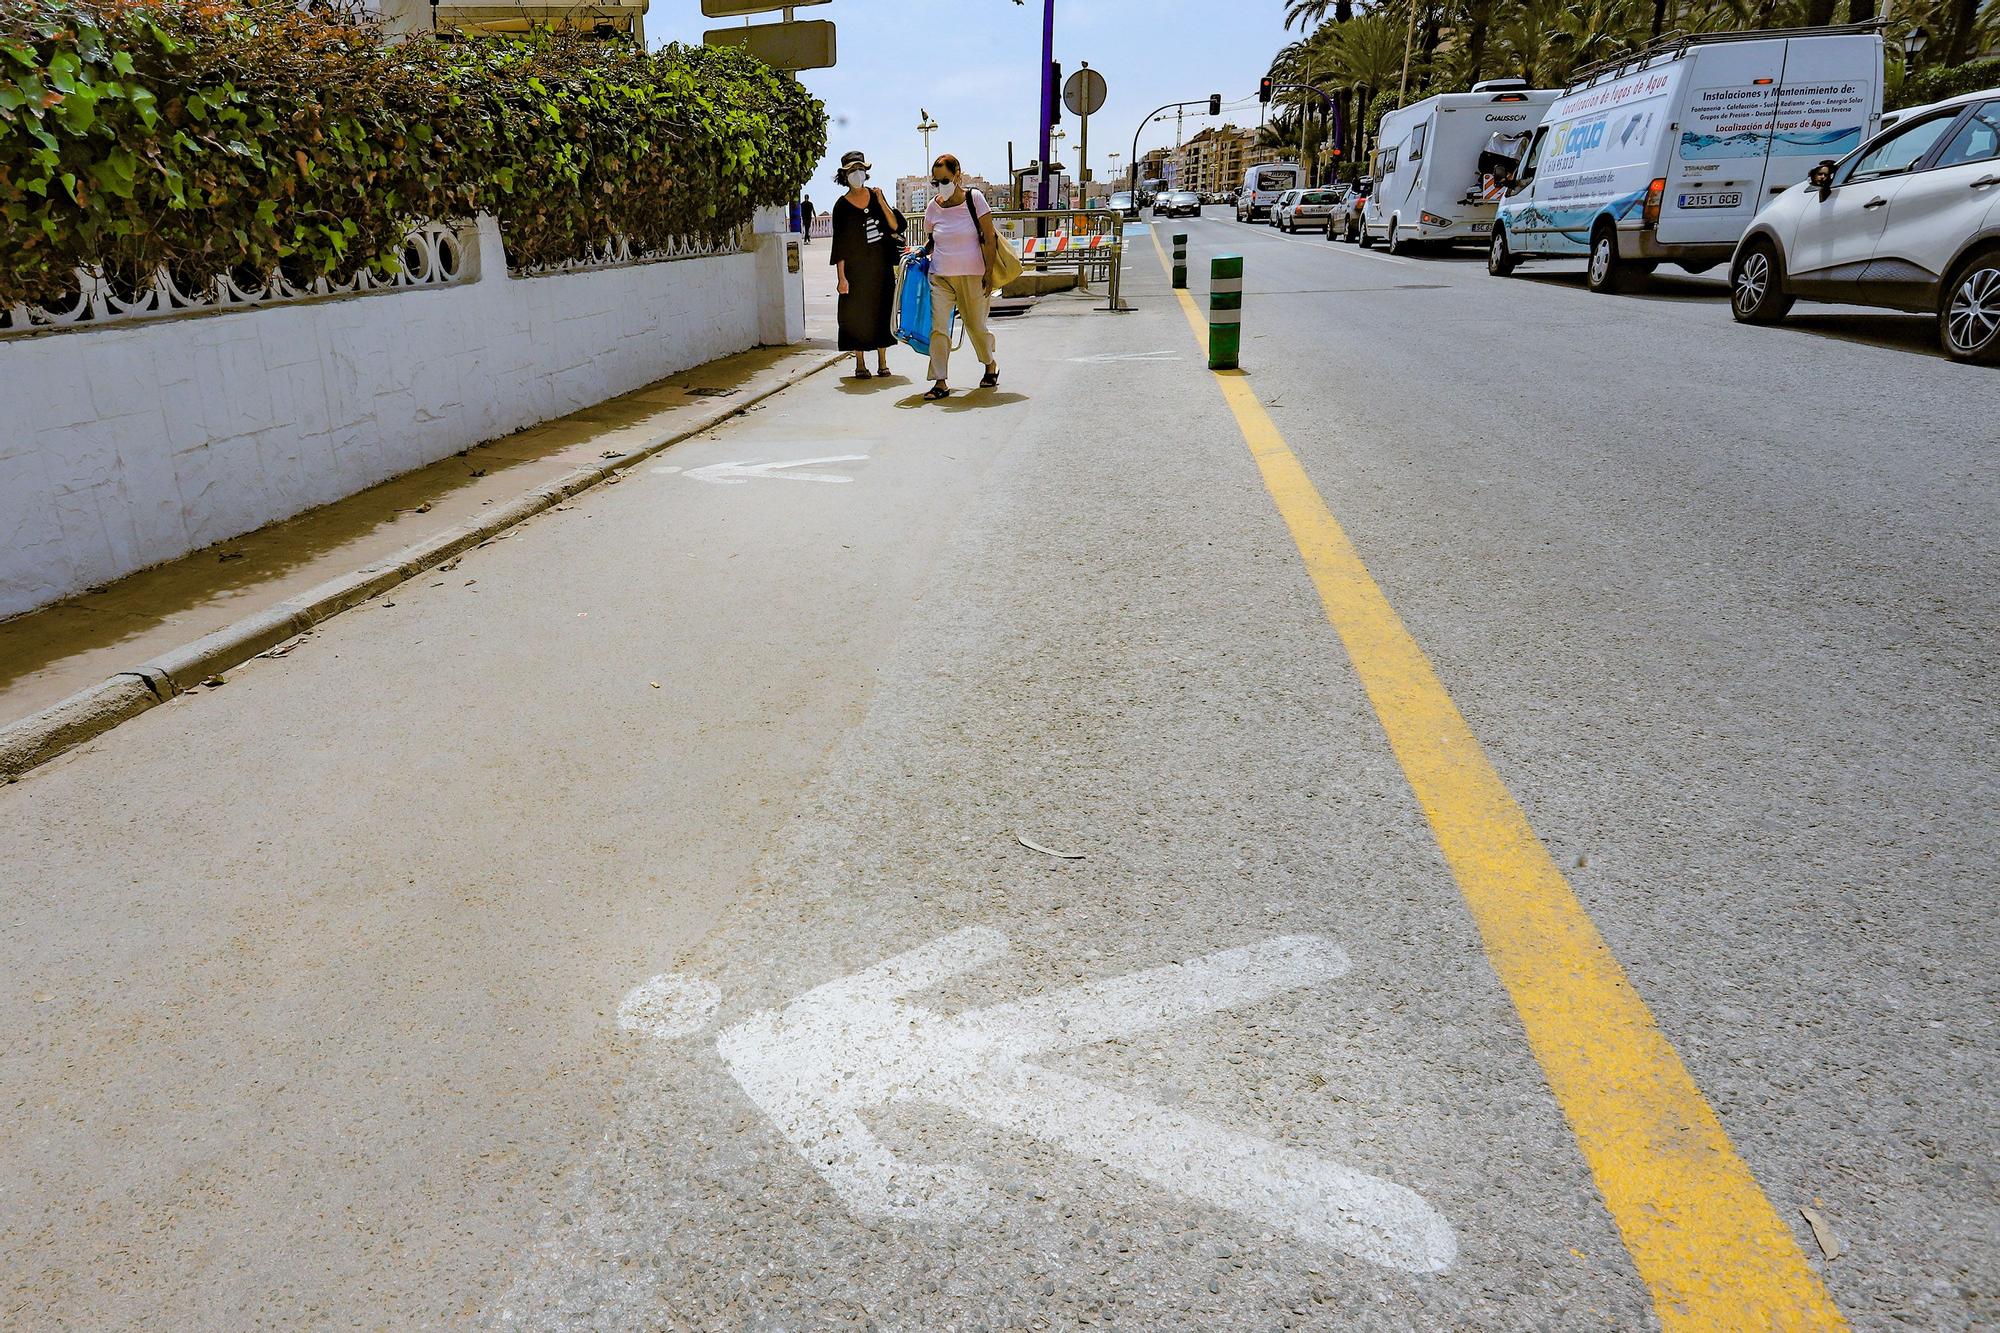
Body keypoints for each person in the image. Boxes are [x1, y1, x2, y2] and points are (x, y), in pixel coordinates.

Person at [920, 154, 999, 401]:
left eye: (945, 179)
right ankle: (940, 381)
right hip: (941, 276)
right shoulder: (933, 207)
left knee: (976, 326)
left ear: (957, 175)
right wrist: (921, 252)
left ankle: (989, 364)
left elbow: (989, 237)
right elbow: (932, 240)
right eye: (936, 181)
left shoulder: (974, 199)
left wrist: (989, 272)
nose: (941, 185)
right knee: (939, 328)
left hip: (972, 275)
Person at [828, 150, 903, 379]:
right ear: (845, 175)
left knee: (882, 311)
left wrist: (881, 200)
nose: (857, 174)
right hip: (855, 270)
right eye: (852, 170)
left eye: (860, 169)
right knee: (856, 315)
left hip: (880, 267)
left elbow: (895, 226)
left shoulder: (877, 196)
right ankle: (860, 362)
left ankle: (882, 361)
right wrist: (842, 278)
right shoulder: (841, 206)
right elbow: (839, 245)